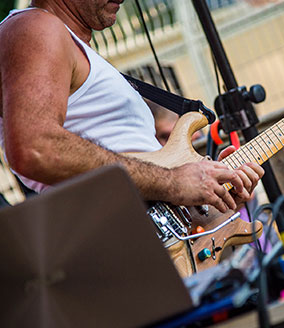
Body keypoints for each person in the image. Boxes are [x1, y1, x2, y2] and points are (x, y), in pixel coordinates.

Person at [0, 0, 264, 214]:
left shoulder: (70, 45)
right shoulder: (36, 27)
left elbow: (146, 179)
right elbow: (35, 149)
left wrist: (211, 194)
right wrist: (172, 182)